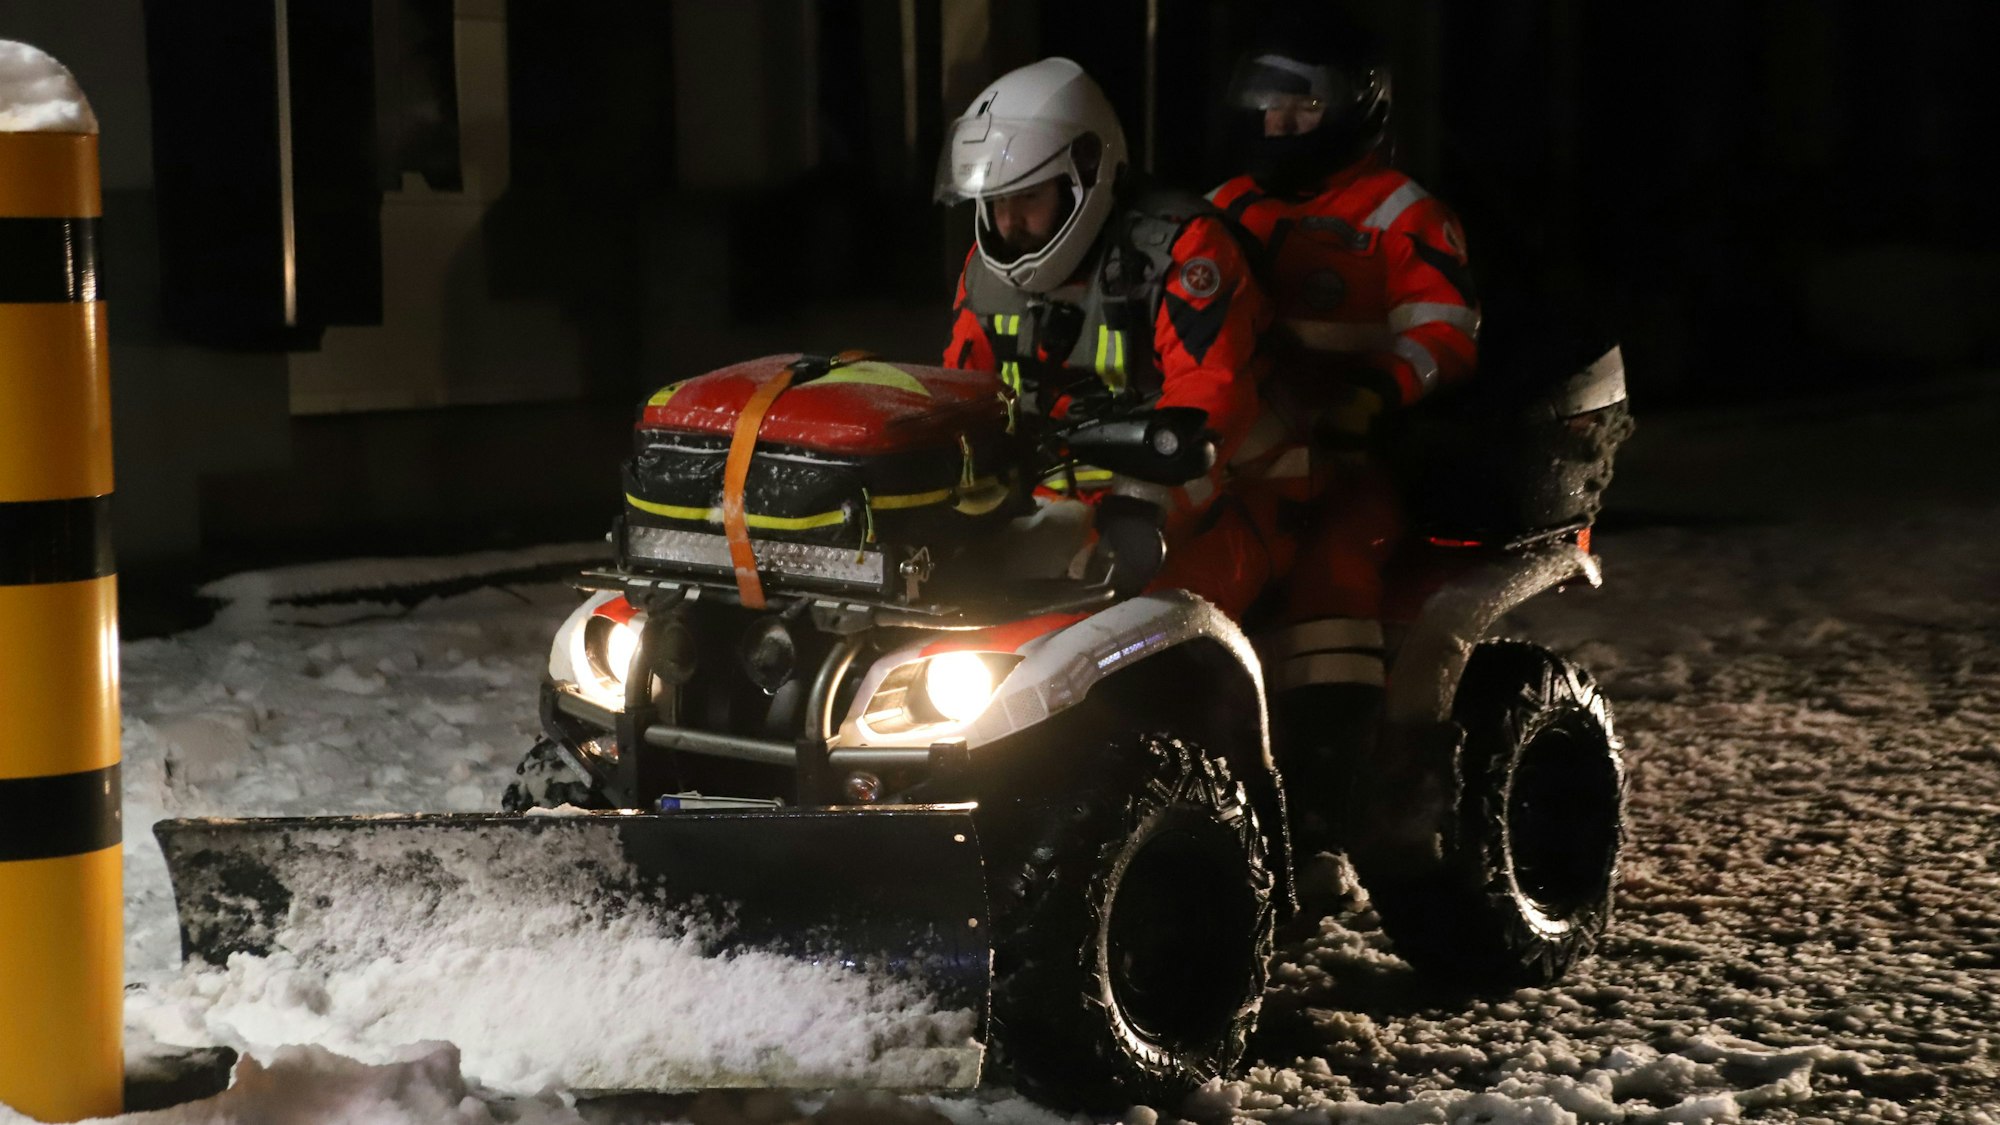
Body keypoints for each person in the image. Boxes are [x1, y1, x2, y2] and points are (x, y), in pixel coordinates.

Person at [1208, 7, 1480, 856]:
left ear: (1356, 104)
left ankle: (1331, 798)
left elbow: (1445, 332)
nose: (1278, 121)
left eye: (1302, 104)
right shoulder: (1225, 205)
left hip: (1361, 450)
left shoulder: (1403, 213)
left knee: (1331, 577)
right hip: (1242, 446)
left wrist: (1375, 391)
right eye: (1267, 101)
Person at [938, 57, 1273, 611]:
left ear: (1086, 176)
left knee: (1167, 638)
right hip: (1046, 511)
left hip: (1188, 508)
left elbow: (1212, 395)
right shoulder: (986, 272)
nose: (1008, 225)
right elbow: (956, 395)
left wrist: (1138, 506)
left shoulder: (1180, 251)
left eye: (1027, 198)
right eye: (995, 203)